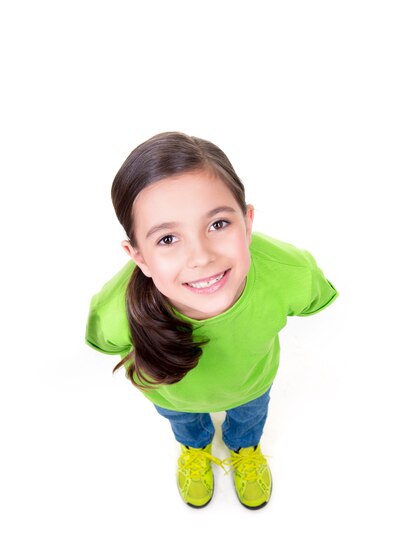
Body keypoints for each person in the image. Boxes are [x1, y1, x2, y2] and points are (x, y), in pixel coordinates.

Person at [85, 131, 338, 510]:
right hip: (174, 396)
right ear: (138, 256)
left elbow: (314, 294)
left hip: (252, 385)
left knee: (250, 419)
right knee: (185, 424)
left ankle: (245, 447)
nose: (201, 256)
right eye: (168, 239)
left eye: (218, 224)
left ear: (247, 222)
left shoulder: (290, 273)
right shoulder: (114, 310)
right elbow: (107, 341)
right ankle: (195, 446)